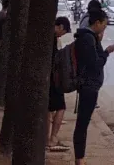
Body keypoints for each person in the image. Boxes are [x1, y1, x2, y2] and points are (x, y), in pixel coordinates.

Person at [72, 0, 114, 165]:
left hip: (89, 85)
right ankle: (79, 159)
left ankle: (80, 157)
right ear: (96, 23)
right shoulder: (88, 39)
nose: (104, 29)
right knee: (82, 123)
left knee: (83, 122)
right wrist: (106, 52)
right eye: (103, 26)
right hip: (88, 86)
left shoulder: (86, 36)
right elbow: (95, 63)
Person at [48, 15, 75, 152]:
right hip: (54, 79)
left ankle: (47, 138)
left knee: (49, 109)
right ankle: (52, 138)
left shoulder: (49, 37)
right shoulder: (54, 39)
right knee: (60, 107)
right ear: (61, 27)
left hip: (48, 78)